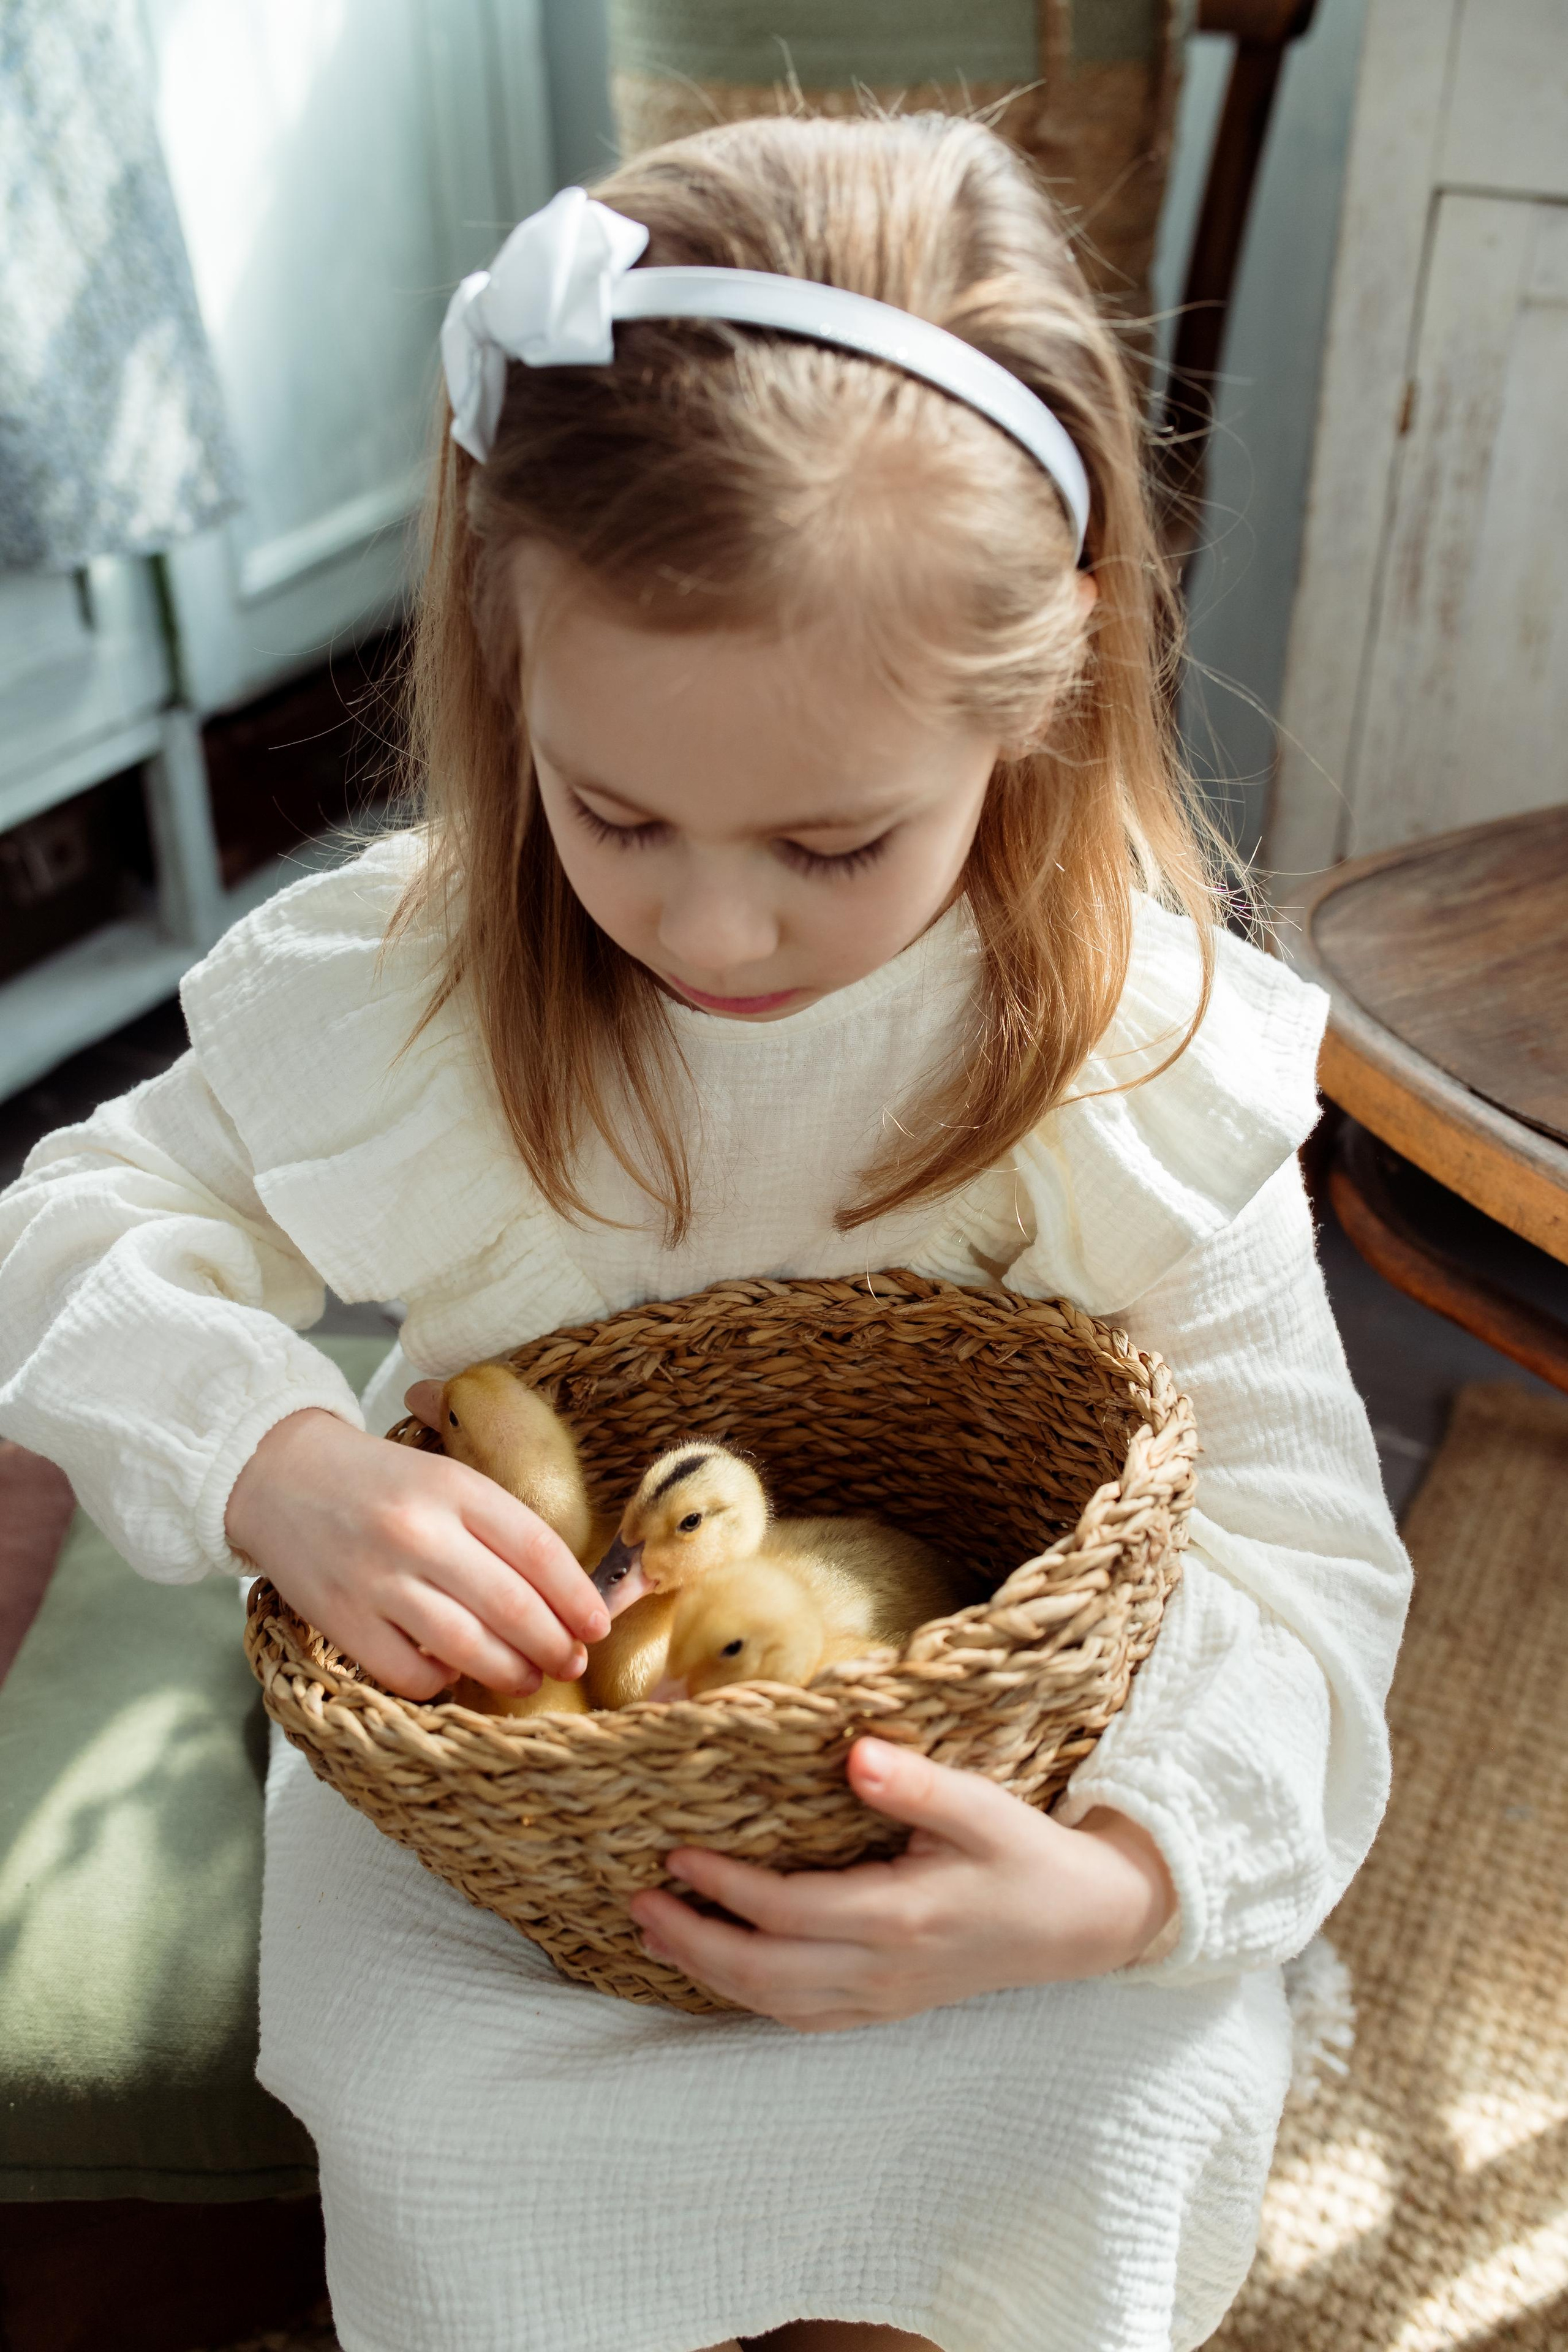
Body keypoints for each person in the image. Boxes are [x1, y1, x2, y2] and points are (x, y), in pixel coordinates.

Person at [0, 113, 1409, 2352]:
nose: (712, 925)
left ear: (1029, 707)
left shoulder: (1116, 1054)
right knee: (450, 2120)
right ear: (508, 669)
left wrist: (1113, 1884)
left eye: (837, 843)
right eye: (616, 811)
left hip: (982, 1809)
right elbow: (77, 1215)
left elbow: (1308, 1550)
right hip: (513, 1825)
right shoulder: (430, 990)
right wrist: (282, 1456)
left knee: (1104, 2100)